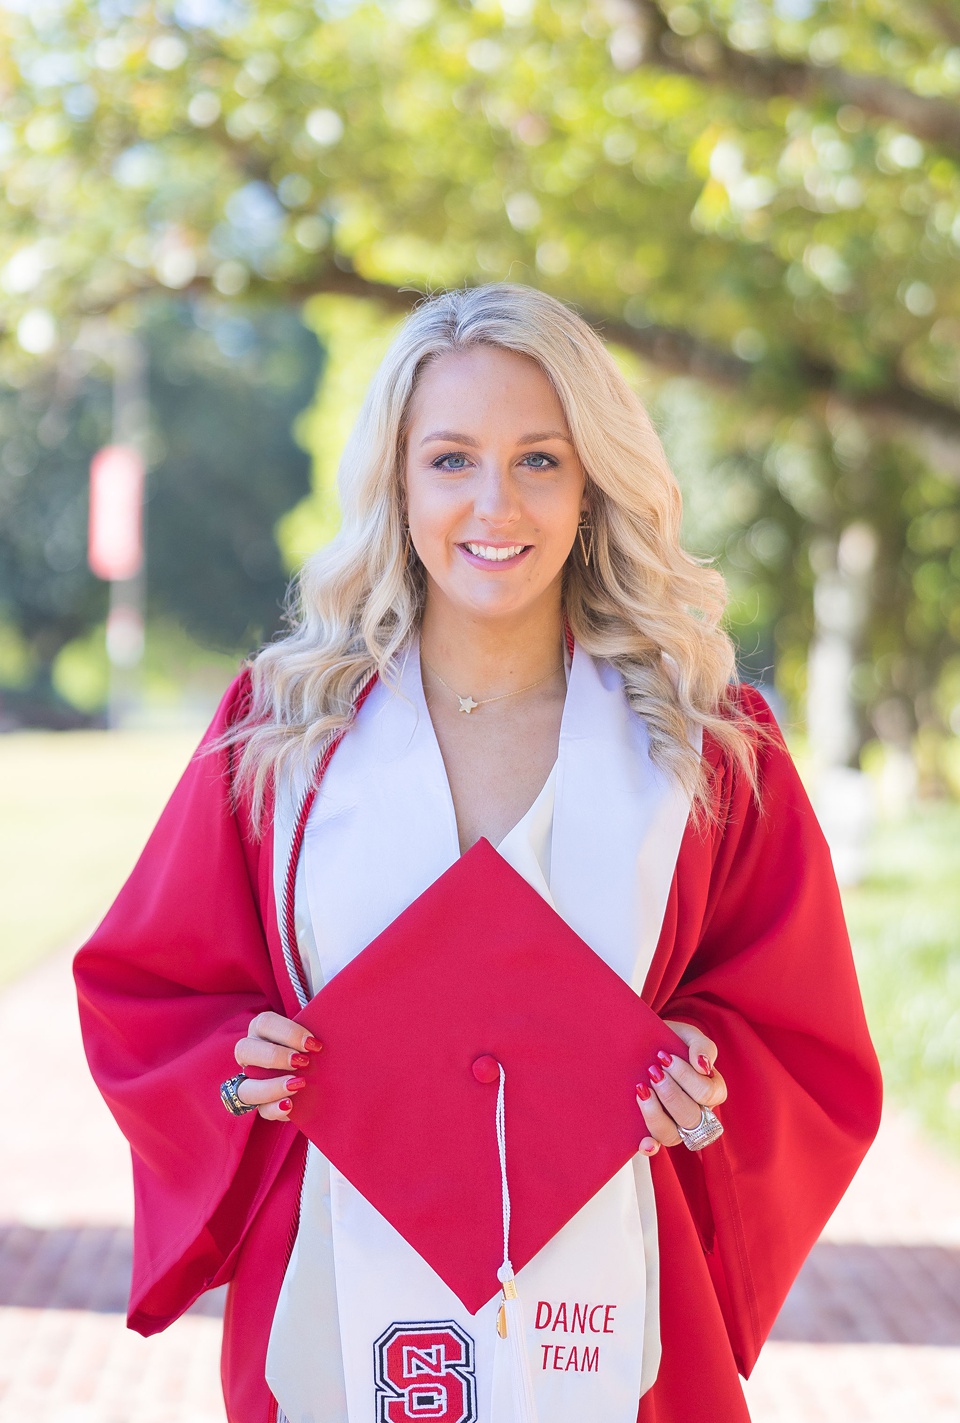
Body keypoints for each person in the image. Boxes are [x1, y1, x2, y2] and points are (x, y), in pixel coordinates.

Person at [74, 283, 882, 1423]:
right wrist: (241, 1061)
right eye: (451, 459)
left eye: (539, 460)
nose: (493, 503)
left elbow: (799, 1035)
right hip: (341, 1294)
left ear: (592, 482)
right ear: (398, 483)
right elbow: (151, 996)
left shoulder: (702, 748)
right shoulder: (285, 737)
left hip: (617, 1308)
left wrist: (704, 1075)